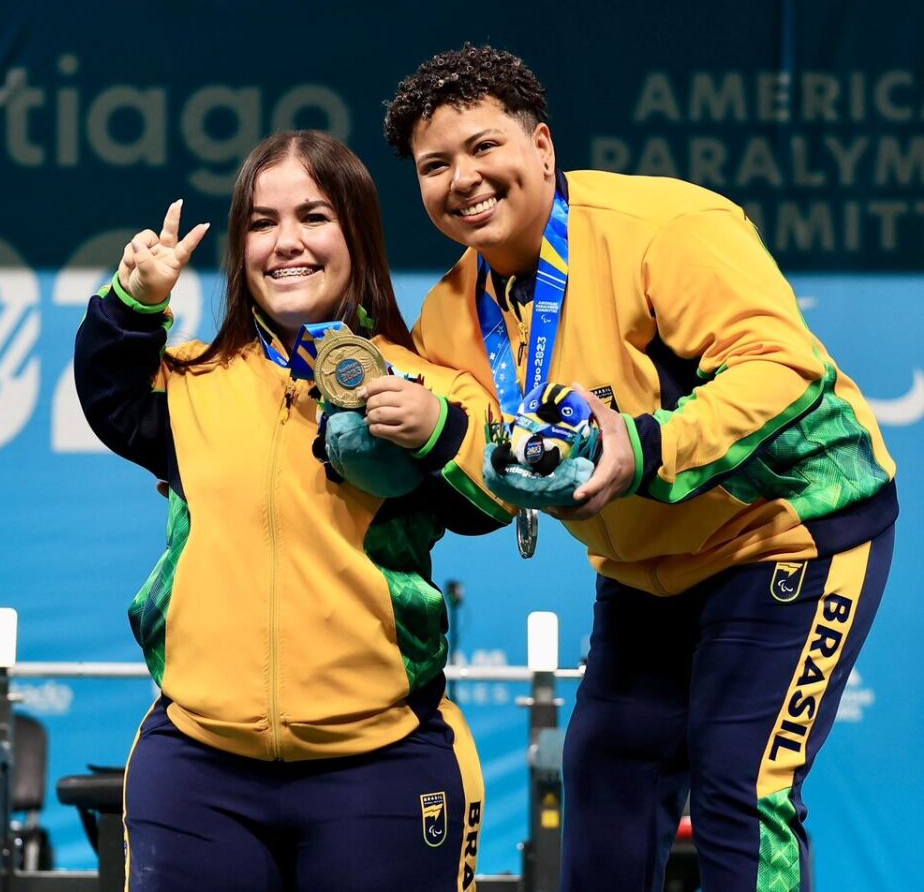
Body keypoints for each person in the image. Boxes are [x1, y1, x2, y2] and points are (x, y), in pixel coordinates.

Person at [383, 44, 897, 892]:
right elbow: (484, 467)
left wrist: (647, 444)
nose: (462, 179)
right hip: (644, 566)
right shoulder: (448, 313)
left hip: (792, 529)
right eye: (435, 166)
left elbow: (780, 368)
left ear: (541, 146)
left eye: (483, 147)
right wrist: (440, 433)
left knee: (742, 785)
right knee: (604, 784)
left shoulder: (665, 228)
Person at [74, 130, 511, 891]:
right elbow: (106, 392)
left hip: (380, 768)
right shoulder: (190, 380)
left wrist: (434, 430)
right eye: (261, 222)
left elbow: (493, 501)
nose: (287, 243)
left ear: (358, 235)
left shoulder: (426, 385)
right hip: (199, 771)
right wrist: (135, 301)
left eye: (314, 216)